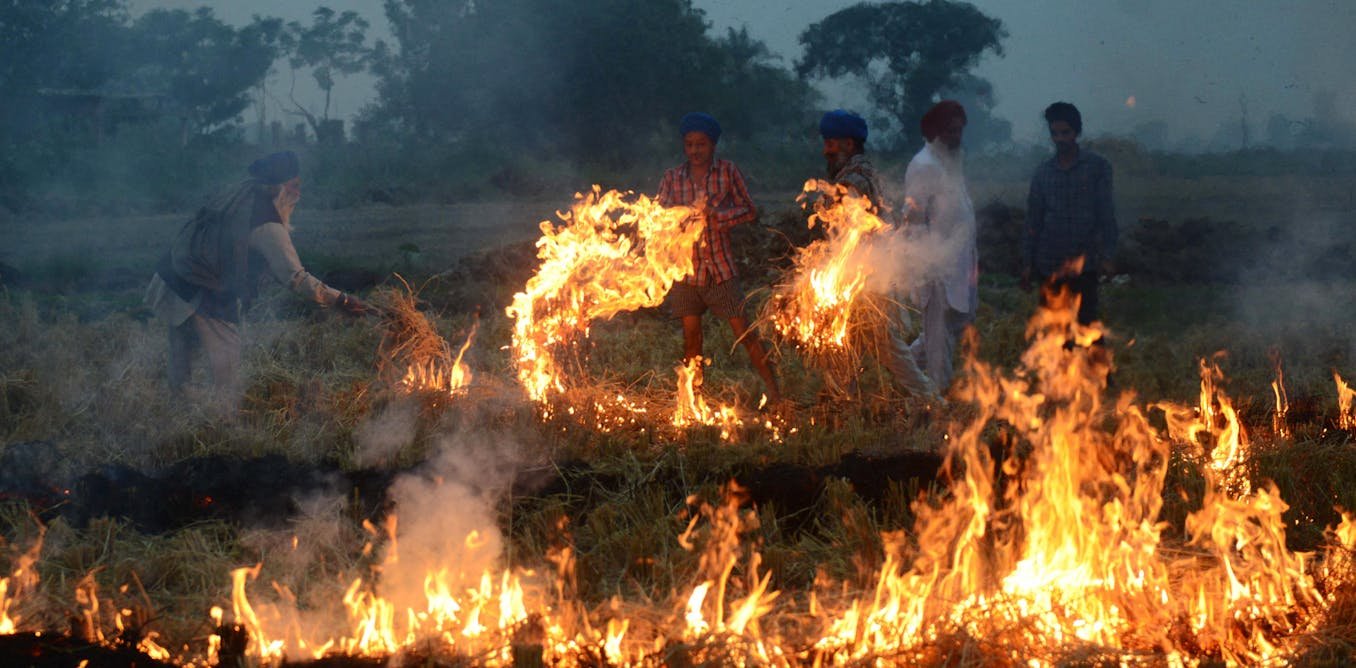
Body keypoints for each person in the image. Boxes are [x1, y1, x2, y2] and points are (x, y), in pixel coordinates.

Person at [144, 151, 371, 399]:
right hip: (198, 285)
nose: (298, 194)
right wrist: (342, 300)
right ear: (278, 188)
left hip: (174, 273)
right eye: (294, 186)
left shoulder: (243, 191)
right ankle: (222, 415)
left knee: (182, 365)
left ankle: (180, 411)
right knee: (227, 363)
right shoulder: (268, 225)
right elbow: (296, 278)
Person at [656, 112, 780, 403]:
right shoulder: (672, 177)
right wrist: (676, 221)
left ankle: (776, 395)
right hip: (686, 272)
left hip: (720, 270)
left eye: (701, 144)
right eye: (689, 144)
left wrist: (717, 216)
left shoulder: (727, 172)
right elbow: (658, 217)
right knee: (691, 338)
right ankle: (693, 401)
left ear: (712, 145)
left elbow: (749, 209)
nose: (695, 150)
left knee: (744, 333)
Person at [818, 109, 940, 402]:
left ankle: (930, 400)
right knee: (850, 340)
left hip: (864, 275)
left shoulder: (853, 180)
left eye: (831, 144)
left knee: (883, 343)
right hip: (864, 273)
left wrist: (837, 273)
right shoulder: (859, 173)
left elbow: (851, 232)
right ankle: (843, 400)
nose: (825, 151)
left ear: (848, 144)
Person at [903, 100, 978, 393]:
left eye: (959, 130)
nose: (956, 137)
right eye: (950, 131)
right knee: (937, 339)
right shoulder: (923, 165)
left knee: (956, 323)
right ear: (934, 132)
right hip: (934, 266)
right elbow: (914, 221)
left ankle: (903, 368)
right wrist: (926, 266)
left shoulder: (952, 160)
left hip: (960, 263)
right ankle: (937, 400)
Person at [1022, 102, 1117, 326]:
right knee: (1053, 328)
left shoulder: (1096, 168)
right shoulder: (1043, 173)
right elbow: (1033, 219)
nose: (1060, 139)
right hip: (1049, 262)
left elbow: (1106, 213)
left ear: (1077, 132)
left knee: (1086, 326)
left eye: (1065, 133)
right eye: (1055, 133)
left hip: (1085, 263)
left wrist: (1108, 255)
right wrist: (1027, 262)